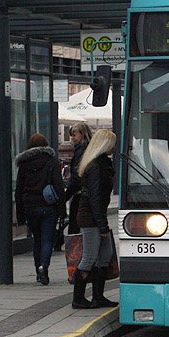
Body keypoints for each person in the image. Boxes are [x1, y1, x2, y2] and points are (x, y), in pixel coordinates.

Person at [72, 129, 118, 309]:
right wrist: (102, 225)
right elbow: (95, 198)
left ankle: (98, 296)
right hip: (90, 217)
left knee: (105, 255)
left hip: (95, 215)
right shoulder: (96, 167)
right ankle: (78, 298)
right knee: (89, 257)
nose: (114, 147)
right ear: (105, 145)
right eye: (112, 144)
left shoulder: (100, 164)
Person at [15, 133, 65, 285]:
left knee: (37, 239)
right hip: (48, 206)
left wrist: (20, 214)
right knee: (47, 239)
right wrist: (62, 210)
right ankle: (44, 267)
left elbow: (19, 189)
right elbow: (58, 185)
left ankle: (38, 270)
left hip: (30, 206)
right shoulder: (51, 161)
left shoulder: (24, 164)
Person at [66, 123, 93, 236]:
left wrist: (66, 195)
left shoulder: (80, 151)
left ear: (83, 134)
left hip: (80, 194)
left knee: (75, 229)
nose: (72, 138)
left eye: (74, 135)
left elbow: (77, 176)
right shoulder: (89, 149)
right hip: (87, 194)